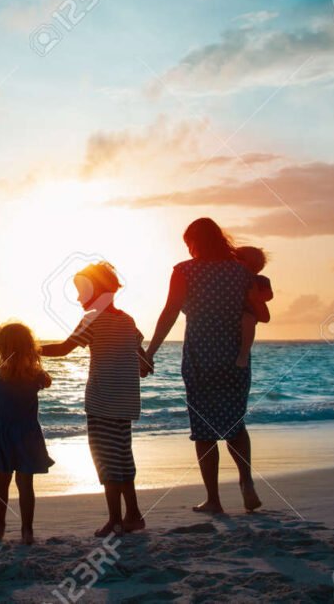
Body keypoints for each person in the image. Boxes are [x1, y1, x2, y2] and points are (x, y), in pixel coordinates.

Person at [144, 218, 263, 515]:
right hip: (236, 356)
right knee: (235, 423)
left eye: (189, 244)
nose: (189, 250)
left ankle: (214, 499)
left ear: (196, 242)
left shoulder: (185, 270)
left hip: (201, 356)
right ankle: (246, 482)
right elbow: (257, 311)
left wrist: (150, 351)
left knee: (204, 430)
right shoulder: (241, 271)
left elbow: (170, 312)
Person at [40, 262, 152, 537]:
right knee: (123, 457)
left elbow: (64, 349)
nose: (78, 298)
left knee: (105, 460)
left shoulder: (92, 319)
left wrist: (30, 349)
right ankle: (133, 514)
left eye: (81, 291)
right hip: (126, 401)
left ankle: (115, 519)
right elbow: (140, 356)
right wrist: (141, 364)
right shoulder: (127, 320)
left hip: (102, 400)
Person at [0, 322, 54, 545]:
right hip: (27, 433)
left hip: (2, 433)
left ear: (1, 347)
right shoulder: (35, 375)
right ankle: (27, 531)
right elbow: (48, 382)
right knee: (25, 485)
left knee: (1, 482)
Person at [234, 246, 274, 368]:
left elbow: (269, 294)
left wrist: (256, 297)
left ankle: (244, 353)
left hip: (248, 311)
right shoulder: (234, 278)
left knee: (248, 321)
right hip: (234, 310)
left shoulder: (260, 280)